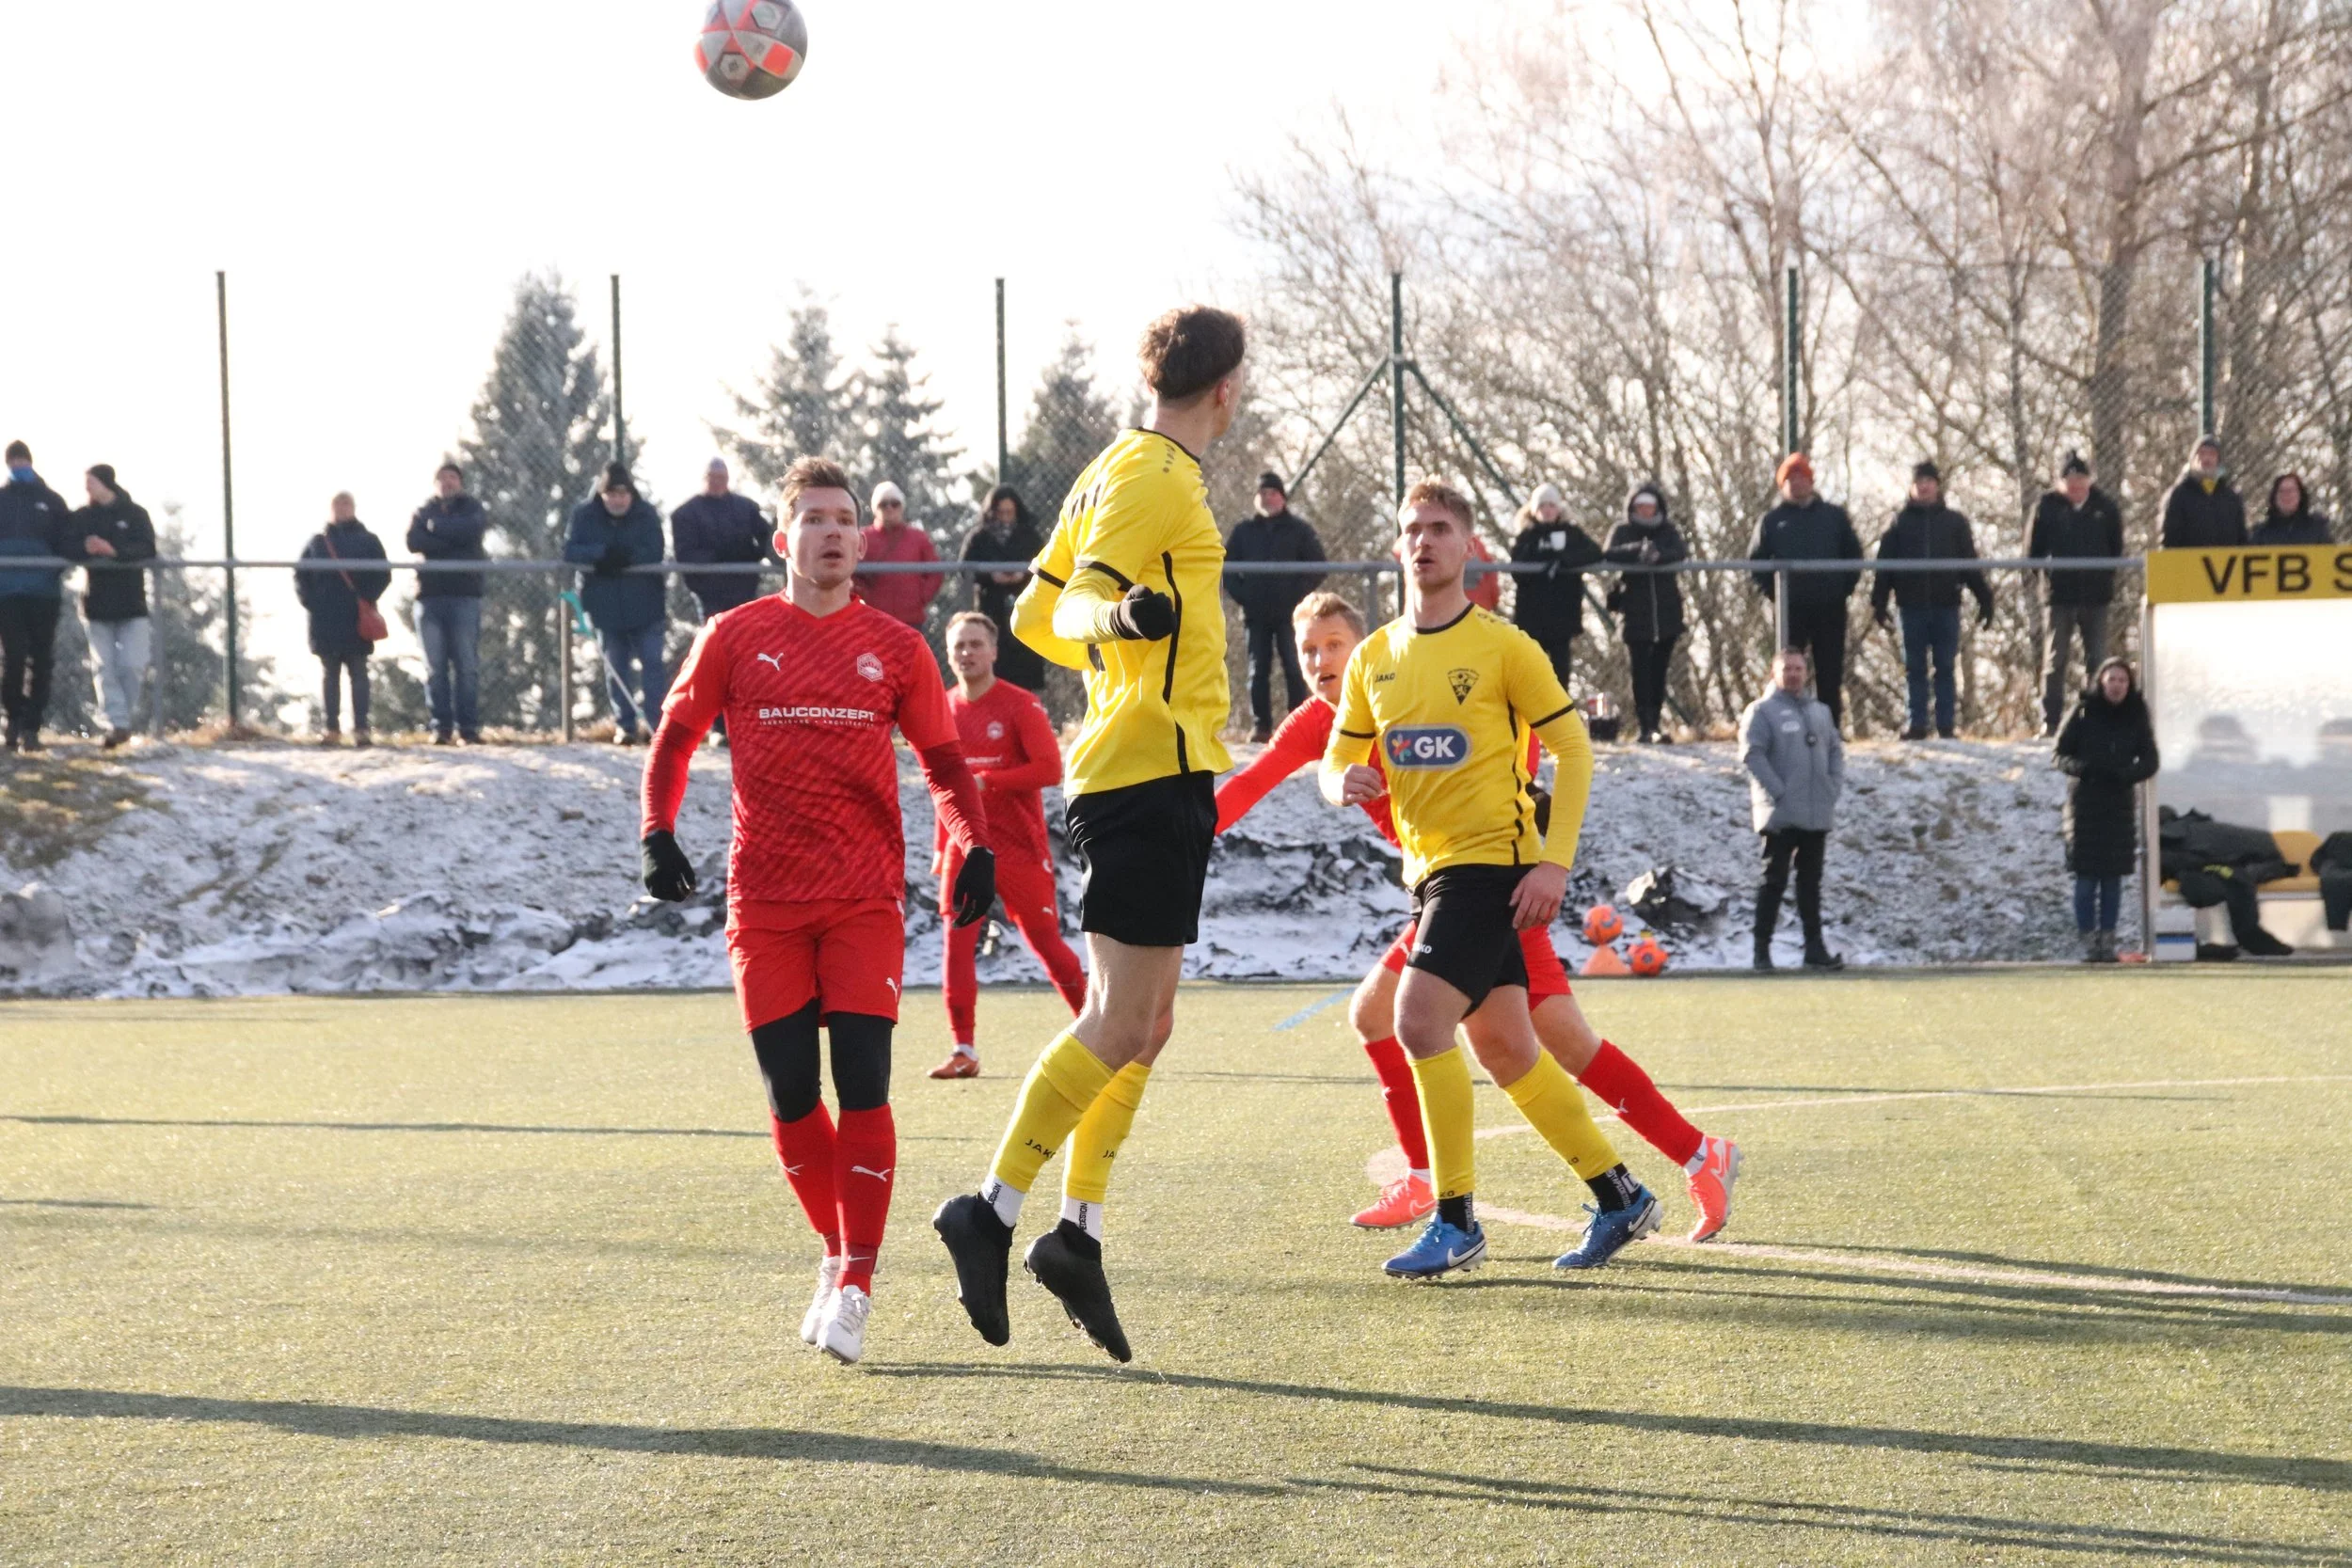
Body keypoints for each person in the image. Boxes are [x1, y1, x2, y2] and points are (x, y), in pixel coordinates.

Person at [1216, 589, 1740, 1241]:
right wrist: (1180, 841)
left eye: (1334, 645)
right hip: (1444, 890)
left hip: (1490, 883)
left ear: (1361, 648)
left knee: (1480, 1031)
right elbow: (1246, 784)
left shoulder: (1406, 687)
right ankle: (1677, 1162)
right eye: (1309, 650)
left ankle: (1463, 1194)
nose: (1322, 660)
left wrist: (1533, 831)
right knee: (1517, 1036)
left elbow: (1515, 739)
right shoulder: (1319, 723)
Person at [932, 304, 1244, 1366]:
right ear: (1227, 388)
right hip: (1146, 765)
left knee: (1146, 1025)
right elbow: (1067, 619)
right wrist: (1118, 619)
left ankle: (1077, 1232)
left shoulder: (1118, 467)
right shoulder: (1154, 476)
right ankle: (991, 1208)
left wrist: (1099, 617)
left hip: (1159, 763)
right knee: (1118, 1020)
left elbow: (1023, 619)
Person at [638, 454, 997, 1366]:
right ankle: (835, 1250)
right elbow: (676, 738)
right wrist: (657, 831)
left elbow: (946, 767)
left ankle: (856, 1283)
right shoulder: (733, 633)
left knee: (864, 1080)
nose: (836, 532)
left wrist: (975, 843)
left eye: (846, 519)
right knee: (791, 1091)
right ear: (782, 537)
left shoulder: (901, 647)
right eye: (816, 518)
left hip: (863, 897)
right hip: (761, 900)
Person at [1322, 480, 1659, 1279]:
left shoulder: (1506, 647)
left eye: (1441, 528)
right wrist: (1341, 781)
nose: (1424, 541)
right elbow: (1339, 755)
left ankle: (1455, 1221)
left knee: (1415, 1018)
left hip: (1490, 864)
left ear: (1470, 547)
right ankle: (1619, 1195)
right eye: (1412, 529)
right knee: (1507, 1046)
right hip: (1430, 873)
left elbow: (1574, 751)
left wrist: (1555, 859)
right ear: (1399, 547)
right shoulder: (1373, 658)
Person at [929, 611, 1089, 1080]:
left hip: (1018, 846)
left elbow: (1049, 769)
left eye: (976, 644)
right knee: (956, 946)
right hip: (964, 846)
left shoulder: (1020, 705)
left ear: (994, 651)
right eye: (959, 645)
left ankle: (1097, 1033)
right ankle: (963, 1049)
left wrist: (989, 782)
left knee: (1045, 942)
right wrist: (943, 846)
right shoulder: (941, 708)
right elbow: (942, 786)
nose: (967, 653)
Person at [1869, 462, 1994, 741]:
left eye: (1929, 480)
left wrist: (1984, 596)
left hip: (1946, 603)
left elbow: (1969, 563)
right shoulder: (1899, 522)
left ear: (1937, 485)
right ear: (1911, 487)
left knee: (1946, 666)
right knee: (1914, 666)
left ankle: (1946, 724)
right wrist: (1879, 600)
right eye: (1919, 481)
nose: (1924, 486)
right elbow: (1884, 565)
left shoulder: (1954, 522)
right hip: (1910, 605)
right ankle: (1917, 723)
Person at [1741, 647, 1846, 972]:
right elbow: (1752, 755)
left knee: (1810, 884)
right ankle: (1762, 951)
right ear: (1774, 673)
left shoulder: (1820, 712)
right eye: (1787, 669)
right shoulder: (1762, 711)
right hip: (1781, 814)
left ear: (1806, 672)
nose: (1793, 674)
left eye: (1798, 668)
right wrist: (1778, 792)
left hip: (1816, 813)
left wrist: (1831, 787)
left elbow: (1835, 751)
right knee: (1773, 881)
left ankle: (1814, 949)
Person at [2054, 657, 2158, 963]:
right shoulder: (2083, 711)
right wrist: (2084, 770)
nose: (2117, 686)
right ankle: (2089, 942)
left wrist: (2126, 775)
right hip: (2085, 805)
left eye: (2123, 680)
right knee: (2086, 879)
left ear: (2130, 684)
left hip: (2119, 805)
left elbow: (2151, 760)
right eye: (2111, 679)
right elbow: (2059, 754)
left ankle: (2108, 943)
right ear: (2101, 681)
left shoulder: (2137, 715)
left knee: (2112, 880)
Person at [1749, 452, 1864, 730]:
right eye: (1790, 478)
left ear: (1811, 481)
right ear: (1781, 484)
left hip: (1830, 606)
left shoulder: (1834, 517)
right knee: (1788, 672)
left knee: (1829, 672)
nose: (1796, 483)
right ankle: (1789, 729)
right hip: (1791, 609)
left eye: (1801, 477)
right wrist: (1777, 594)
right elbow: (1756, 562)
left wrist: (1840, 589)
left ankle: (1830, 731)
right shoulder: (1771, 520)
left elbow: (1854, 556)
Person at [564, 465, 669, 745]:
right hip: (605, 607)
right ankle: (626, 725)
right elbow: (570, 550)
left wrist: (628, 557)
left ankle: (657, 726)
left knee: (653, 665)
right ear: (602, 494)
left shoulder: (646, 514)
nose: (618, 500)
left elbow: (655, 550)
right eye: (612, 494)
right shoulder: (584, 515)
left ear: (631, 494)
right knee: (616, 668)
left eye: (623, 494)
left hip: (646, 605)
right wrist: (602, 555)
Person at [1222, 471, 1327, 741]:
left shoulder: (1299, 530)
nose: (1267, 498)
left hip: (1291, 615)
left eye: (1272, 493)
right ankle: (1261, 727)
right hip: (1255, 614)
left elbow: (1318, 565)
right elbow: (1227, 569)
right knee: (1258, 670)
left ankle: (1298, 726)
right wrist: (1244, 596)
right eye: (1263, 493)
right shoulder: (1244, 531)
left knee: (1295, 667)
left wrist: (1296, 595)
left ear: (1282, 497)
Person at [2027, 451, 2125, 737]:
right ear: (2060, 482)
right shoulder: (2046, 506)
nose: (2076, 486)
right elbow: (2032, 552)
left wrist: (2104, 578)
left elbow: (2115, 548)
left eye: (2081, 480)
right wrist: (2045, 581)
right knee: (2056, 660)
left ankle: (2096, 717)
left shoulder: (2105, 507)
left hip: (2096, 597)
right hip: (2059, 596)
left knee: (2097, 659)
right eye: (2070, 481)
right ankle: (2051, 721)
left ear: (2089, 480)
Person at [0, 441, 78, 754]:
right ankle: (14, 720)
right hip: (7, 593)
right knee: (14, 656)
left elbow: (67, 542)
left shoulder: (52, 501)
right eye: (13, 461)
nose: (19, 466)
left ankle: (33, 725)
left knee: (42, 659)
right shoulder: (2, 500)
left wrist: (53, 571)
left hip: (44, 593)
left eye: (22, 461)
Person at [71, 464, 156, 749]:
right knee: (104, 667)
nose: (87, 489)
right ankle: (117, 724)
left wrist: (114, 552)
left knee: (133, 664)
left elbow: (147, 548)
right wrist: (86, 548)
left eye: (91, 482)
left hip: (132, 603)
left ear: (106, 483)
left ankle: (123, 720)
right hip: (97, 604)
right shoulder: (84, 517)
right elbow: (67, 545)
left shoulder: (135, 514)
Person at [295, 495, 390, 746]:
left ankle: (361, 728)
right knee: (331, 674)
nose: (342, 510)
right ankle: (332, 729)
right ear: (331, 510)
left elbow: (383, 574)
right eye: (338, 506)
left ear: (354, 509)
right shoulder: (317, 543)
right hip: (325, 618)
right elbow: (301, 576)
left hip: (355, 616)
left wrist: (366, 599)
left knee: (358, 672)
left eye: (346, 505)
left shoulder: (369, 541)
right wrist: (312, 603)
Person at [405, 462, 487, 746]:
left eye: (452, 477)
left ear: (461, 482)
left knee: (466, 665)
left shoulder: (473, 508)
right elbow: (413, 541)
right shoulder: (422, 511)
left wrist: (436, 531)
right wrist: (448, 537)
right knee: (434, 667)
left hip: (464, 595)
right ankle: (441, 727)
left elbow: (470, 532)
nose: (447, 482)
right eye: (442, 478)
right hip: (429, 597)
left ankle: (468, 728)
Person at [1603, 481, 1689, 744]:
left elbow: (1679, 552)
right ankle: (1645, 725)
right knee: (1640, 669)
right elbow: (1608, 553)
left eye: (1650, 506)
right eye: (1640, 506)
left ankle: (1656, 722)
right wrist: (1636, 552)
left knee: (1660, 670)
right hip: (1634, 611)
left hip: (1666, 610)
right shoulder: (1622, 530)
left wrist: (1657, 556)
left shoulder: (1668, 531)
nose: (1645, 510)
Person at [1506, 483, 1602, 688]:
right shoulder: (1527, 536)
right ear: (1534, 510)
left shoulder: (1571, 533)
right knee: (1532, 673)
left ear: (1559, 508)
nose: (1547, 511)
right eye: (1543, 506)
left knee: (1561, 675)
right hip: (1532, 616)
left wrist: (1565, 561)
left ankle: (1560, 716)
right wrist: (1541, 561)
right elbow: (1517, 570)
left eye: (1551, 505)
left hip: (1562, 616)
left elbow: (1594, 553)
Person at [960, 485, 1045, 691]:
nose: (1005, 517)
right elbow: (965, 566)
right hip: (992, 608)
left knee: (1024, 661)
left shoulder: (1028, 535)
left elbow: (1045, 563)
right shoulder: (980, 537)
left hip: (1024, 605)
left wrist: (1021, 574)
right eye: (1001, 513)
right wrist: (990, 576)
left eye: (1009, 512)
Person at [671, 456, 771, 620]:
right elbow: (685, 553)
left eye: (721, 478)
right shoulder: (686, 514)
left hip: (743, 587)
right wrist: (717, 557)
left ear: (728, 479)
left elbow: (767, 539)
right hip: (709, 592)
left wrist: (752, 555)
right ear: (704, 479)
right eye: (712, 477)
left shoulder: (746, 508)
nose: (717, 482)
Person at [854, 482, 943, 634]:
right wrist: (863, 596)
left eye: (894, 504)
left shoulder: (918, 538)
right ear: (875, 509)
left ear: (902, 507)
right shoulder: (863, 538)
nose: (889, 508)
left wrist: (920, 599)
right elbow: (851, 571)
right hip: (874, 617)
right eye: (883, 504)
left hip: (910, 618)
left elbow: (936, 572)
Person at [2160, 436, 2247, 548]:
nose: (2206, 458)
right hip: (2188, 564)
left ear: (2218, 460)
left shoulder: (2231, 498)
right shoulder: (2179, 495)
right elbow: (2169, 541)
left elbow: (2242, 540)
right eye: (2201, 453)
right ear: (2192, 460)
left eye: (2212, 454)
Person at [2250, 472, 2334, 546]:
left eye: (2291, 490)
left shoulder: (2317, 529)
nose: (2286, 495)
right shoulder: (2261, 533)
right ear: (2274, 497)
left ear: (2300, 495)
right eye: (2281, 491)